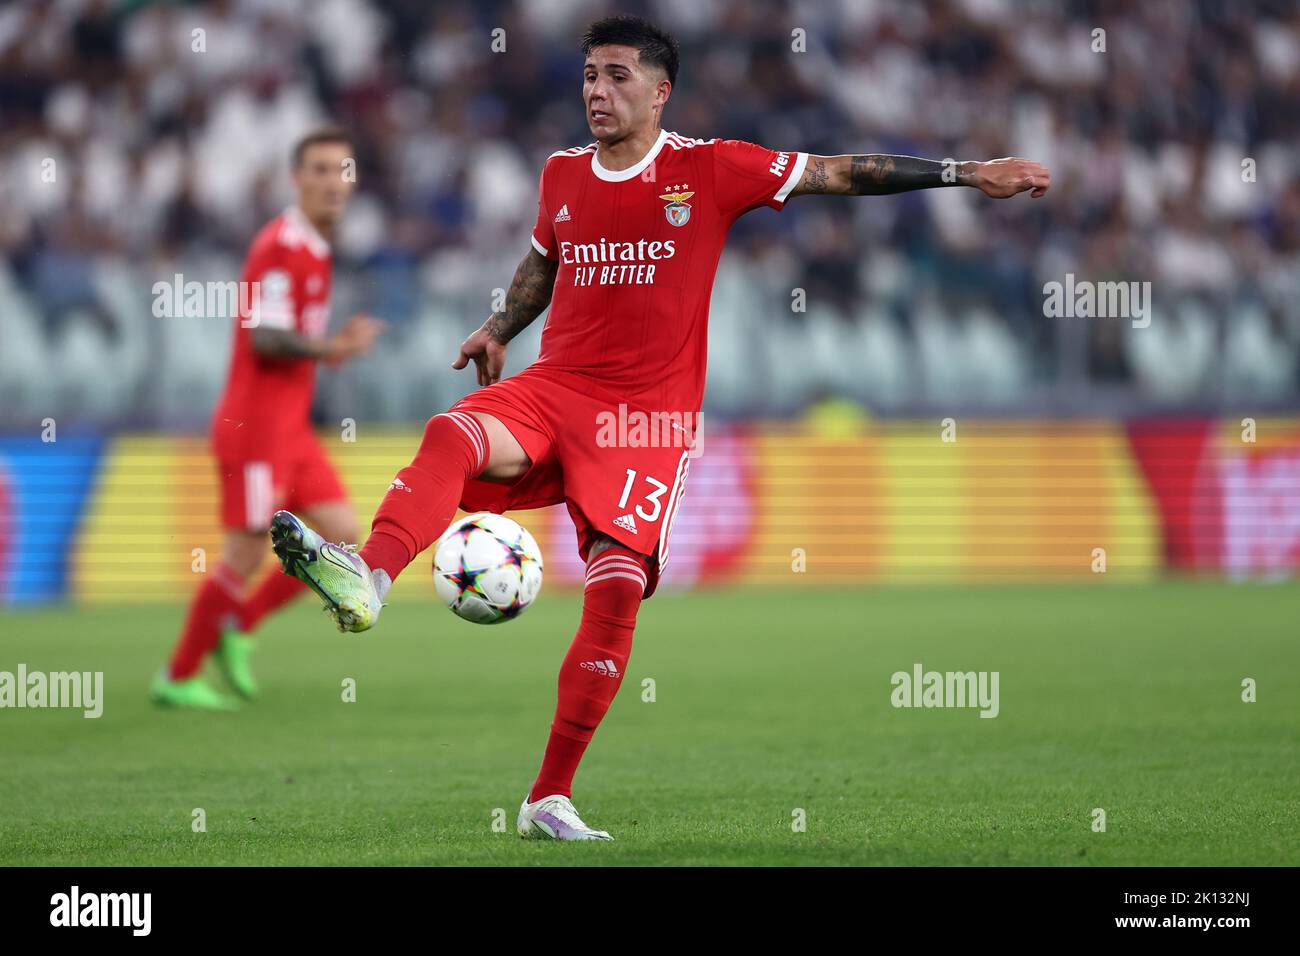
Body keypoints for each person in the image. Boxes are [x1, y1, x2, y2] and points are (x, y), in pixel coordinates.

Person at [270, 16, 1049, 836]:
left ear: (659, 90)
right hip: (556, 387)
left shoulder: (710, 168)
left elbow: (839, 173)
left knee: (613, 592)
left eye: (615, 77)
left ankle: (547, 797)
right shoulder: (563, 173)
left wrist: (967, 173)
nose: (597, 93)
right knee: (451, 433)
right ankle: (371, 579)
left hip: (646, 422)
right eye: (588, 78)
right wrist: (500, 325)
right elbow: (544, 261)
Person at [153, 127, 384, 710]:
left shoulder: (315, 245)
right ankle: (177, 675)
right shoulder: (281, 245)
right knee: (246, 553)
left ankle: (242, 625)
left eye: (344, 171)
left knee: (341, 536)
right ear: (297, 179)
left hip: (290, 428)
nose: (335, 183)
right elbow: (265, 339)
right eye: (322, 170)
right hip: (254, 427)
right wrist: (329, 349)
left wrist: (325, 351)